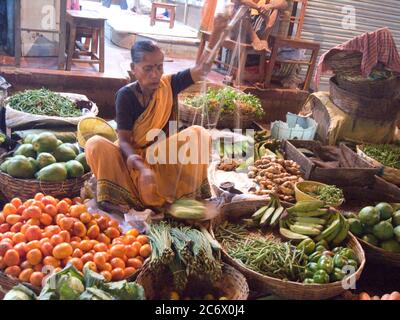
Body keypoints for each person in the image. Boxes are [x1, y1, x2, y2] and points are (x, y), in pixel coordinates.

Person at [85, 15, 229, 212]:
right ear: (133, 69)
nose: (155, 74)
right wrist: (141, 168)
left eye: (159, 67)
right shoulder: (125, 96)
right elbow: (125, 142)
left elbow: (202, 70)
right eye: (148, 69)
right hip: (131, 159)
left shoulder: (169, 84)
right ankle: (121, 195)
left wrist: (217, 33)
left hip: (160, 157)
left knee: (199, 134)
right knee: (95, 144)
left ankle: (176, 190)